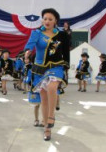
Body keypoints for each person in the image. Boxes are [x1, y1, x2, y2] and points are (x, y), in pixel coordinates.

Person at [24, 8, 70, 141]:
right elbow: (29, 45)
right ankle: (47, 129)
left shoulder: (62, 35)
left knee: (51, 87)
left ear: (56, 21)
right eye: (45, 19)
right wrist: (27, 52)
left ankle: (51, 116)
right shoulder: (37, 33)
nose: (47, 21)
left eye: (50, 19)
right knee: (43, 99)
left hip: (56, 66)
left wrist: (66, 67)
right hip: (39, 68)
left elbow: (66, 53)